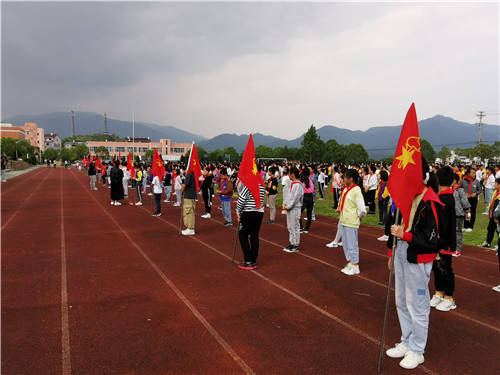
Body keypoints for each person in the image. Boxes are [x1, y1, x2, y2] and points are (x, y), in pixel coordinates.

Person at [386, 159, 444, 370]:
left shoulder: (430, 200)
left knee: (417, 305)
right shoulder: (406, 195)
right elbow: (396, 225)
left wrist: (406, 236)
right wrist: (392, 251)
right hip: (402, 251)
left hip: (418, 258)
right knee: (401, 300)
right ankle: (407, 340)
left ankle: (417, 350)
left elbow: (432, 240)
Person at [430, 166, 457, 312]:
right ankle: (439, 292)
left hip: (444, 241)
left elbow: (443, 223)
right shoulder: (443, 197)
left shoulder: (446, 198)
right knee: (437, 267)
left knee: (445, 268)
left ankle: (449, 297)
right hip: (439, 241)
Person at [339, 169, 366, 275]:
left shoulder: (356, 190)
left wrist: (359, 217)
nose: (343, 179)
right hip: (344, 220)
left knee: (352, 244)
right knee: (345, 243)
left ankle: (355, 265)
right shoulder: (346, 189)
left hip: (351, 221)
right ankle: (350, 262)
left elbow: (362, 209)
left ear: (351, 179)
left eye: (345, 177)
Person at [236, 179, 266, 270]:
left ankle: (248, 260)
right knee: (254, 235)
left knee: (243, 235)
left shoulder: (248, 185)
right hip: (259, 212)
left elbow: (241, 199)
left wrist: (238, 211)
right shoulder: (261, 186)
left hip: (248, 212)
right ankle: (253, 259)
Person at [283, 167, 304, 253]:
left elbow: (295, 198)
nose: (288, 176)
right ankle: (292, 242)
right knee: (290, 226)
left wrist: (288, 206)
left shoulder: (298, 185)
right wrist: (285, 204)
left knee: (295, 226)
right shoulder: (292, 184)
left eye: (289, 174)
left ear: (293, 174)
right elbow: (289, 196)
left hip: (295, 208)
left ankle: (295, 244)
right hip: (290, 208)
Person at [451, 173, 470, 257]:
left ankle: (458, 249)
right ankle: (452, 247)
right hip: (451, 214)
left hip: (458, 214)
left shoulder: (460, 190)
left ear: (454, 181)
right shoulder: (450, 189)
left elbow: (465, 202)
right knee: (452, 231)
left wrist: (467, 212)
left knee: (458, 232)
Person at [481, 178, 500, 249]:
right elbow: (492, 203)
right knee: (490, 228)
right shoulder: (495, 192)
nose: (494, 185)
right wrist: (489, 212)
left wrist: (497, 217)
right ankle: (488, 242)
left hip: (498, 216)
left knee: (498, 230)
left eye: (496, 183)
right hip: (493, 214)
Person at [461, 167, 481, 232]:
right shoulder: (463, 180)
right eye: (473, 173)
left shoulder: (477, 181)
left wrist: (476, 193)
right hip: (465, 199)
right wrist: (464, 193)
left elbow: (480, 190)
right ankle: (466, 226)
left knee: (473, 212)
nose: (474, 174)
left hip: (473, 199)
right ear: (468, 173)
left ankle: (471, 226)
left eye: (475, 173)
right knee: (465, 212)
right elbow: (460, 189)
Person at [181, 169, 197, 236]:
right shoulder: (192, 175)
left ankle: (190, 228)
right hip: (191, 196)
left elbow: (184, 185)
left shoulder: (189, 175)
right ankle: (190, 228)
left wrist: (181, 191)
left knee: (188, 212)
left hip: (188, 196)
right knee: (190, 212)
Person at [300, 168, 315, 234]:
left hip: (304, 197)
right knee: (309, 213)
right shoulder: (310, 180)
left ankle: (300, 227)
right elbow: (313, 189)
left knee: (299, 212)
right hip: (311, 197)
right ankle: (306, 228)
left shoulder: (302, 181)